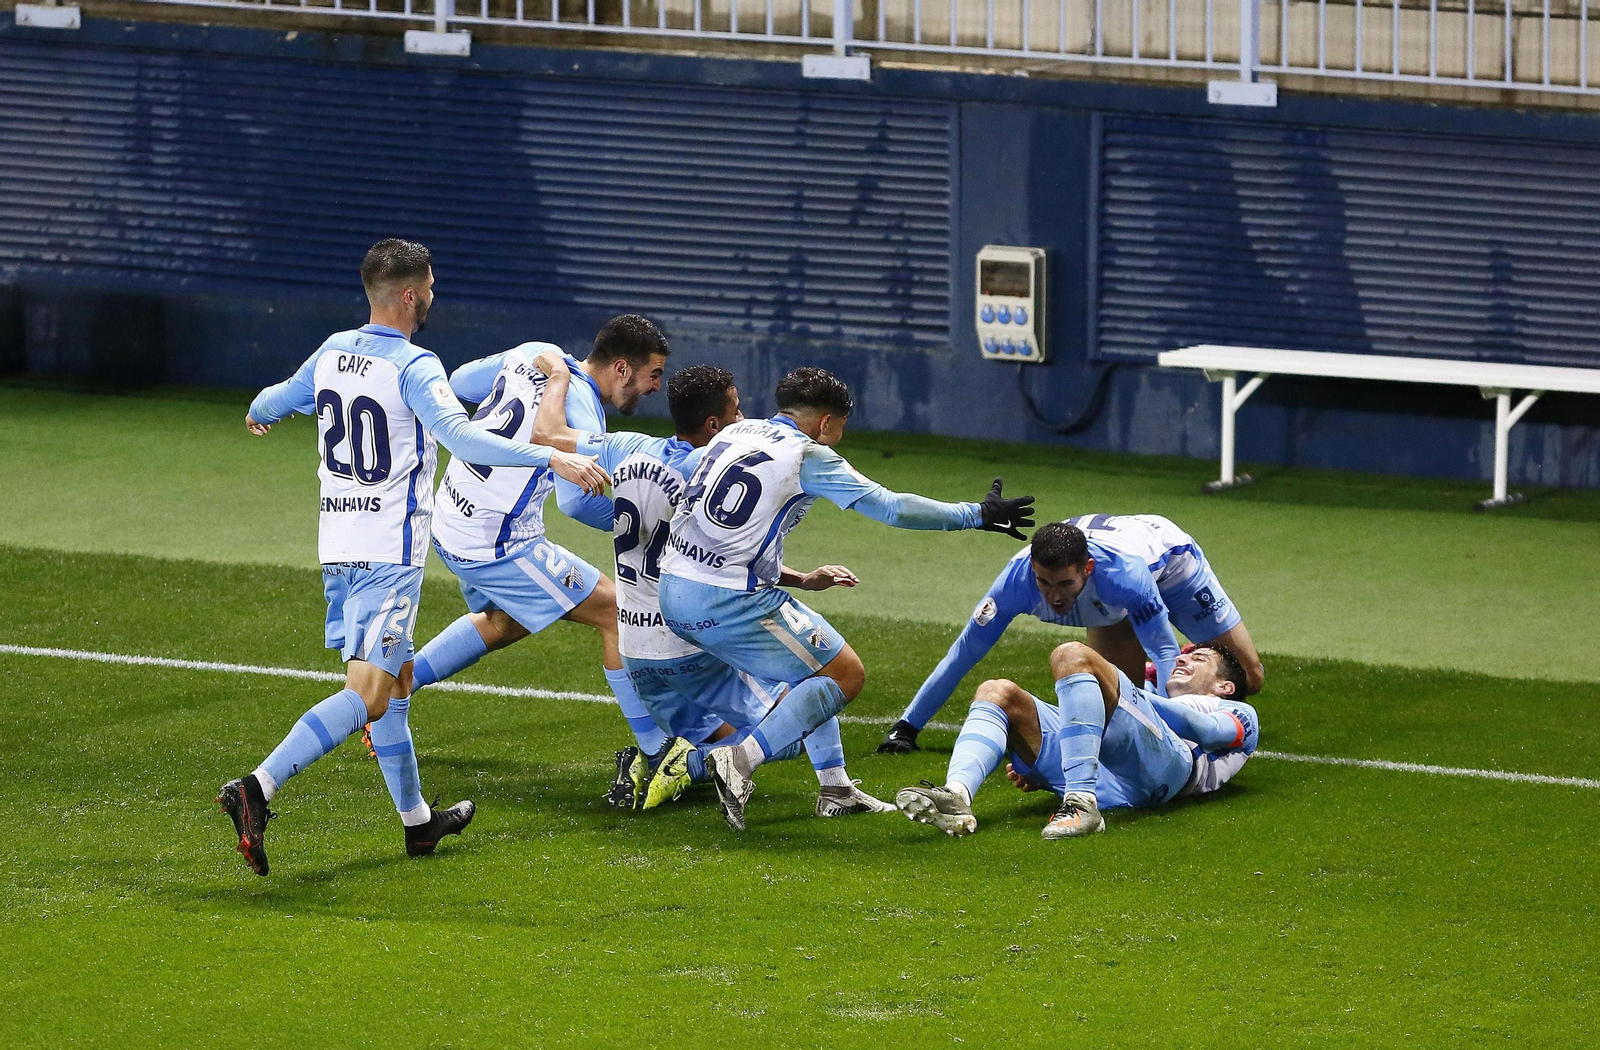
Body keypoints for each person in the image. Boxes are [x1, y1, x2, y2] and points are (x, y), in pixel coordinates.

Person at [216, 238, 608, 875]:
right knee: (370, 695)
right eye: (427, 286)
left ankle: (418, 824)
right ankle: (257, 787)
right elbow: (461, 436)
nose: (432, 295)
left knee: (395, 683)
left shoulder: (333, 350)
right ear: (407, 294)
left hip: (337, 545)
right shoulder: (415, 366)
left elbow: (276, 398)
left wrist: (260, 413)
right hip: (387, 553)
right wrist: (552, 455)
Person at [657, 366, 1036, 830]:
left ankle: (835, 786)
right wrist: (975, 515)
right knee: (844, 674)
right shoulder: (807, 454)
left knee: (813, 661)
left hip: (672, 589)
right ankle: (739, 760)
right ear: (825, 422)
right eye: (842, 425)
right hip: (726, 601)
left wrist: (793, 577)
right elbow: (892, 507)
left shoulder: (732, 433)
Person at [528, 354, 893, 817]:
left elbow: (558, 460)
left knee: (771, 689)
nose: (744, 420)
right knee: (803, 701)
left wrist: (559, 376)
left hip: (635, 647)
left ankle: (660, 755)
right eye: (737, 412)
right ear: (715, 422)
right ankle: (687, 767)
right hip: (691, 640)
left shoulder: (626, 449)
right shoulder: (712, 467)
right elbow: (718, 555)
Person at [399, 317, 672, 785]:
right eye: (654, 374)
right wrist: (643, 530)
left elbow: (460, 382)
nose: (656, 387)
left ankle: (391, 693)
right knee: (616, 611)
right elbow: (575, 499)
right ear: (623, 369)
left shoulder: (534, 350)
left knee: (509, 619)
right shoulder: (582, 405)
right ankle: (658, 753)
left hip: (451, 516)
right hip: (496, 540)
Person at [879, 515, 1263, 754]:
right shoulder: (1014, 585)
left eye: (1064, 583)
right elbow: (963, 654)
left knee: (1250, 677)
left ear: (1088, 569)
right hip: (1107, 596)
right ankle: (1144, 683)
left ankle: (1164, 695)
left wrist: (1173, 737)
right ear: (1032, 568)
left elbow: (1163, 649)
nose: (1054, 596)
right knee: (1117, 700)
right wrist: (907, 728)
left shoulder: (1123, 578)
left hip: (1174, 564)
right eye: (1044, 582)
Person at [895, 643, 1259, 839]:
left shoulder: (1239, 712)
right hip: (1109, 773)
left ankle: (1081, 804)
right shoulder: (1153, 701)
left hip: (1170, 772)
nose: (1182, 658)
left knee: (1073, 655)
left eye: (1198, 659)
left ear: (1224, 686)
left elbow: (1208, 733)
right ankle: (957, 795)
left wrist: (1137, 694)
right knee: (998, 692)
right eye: (1184, 654)